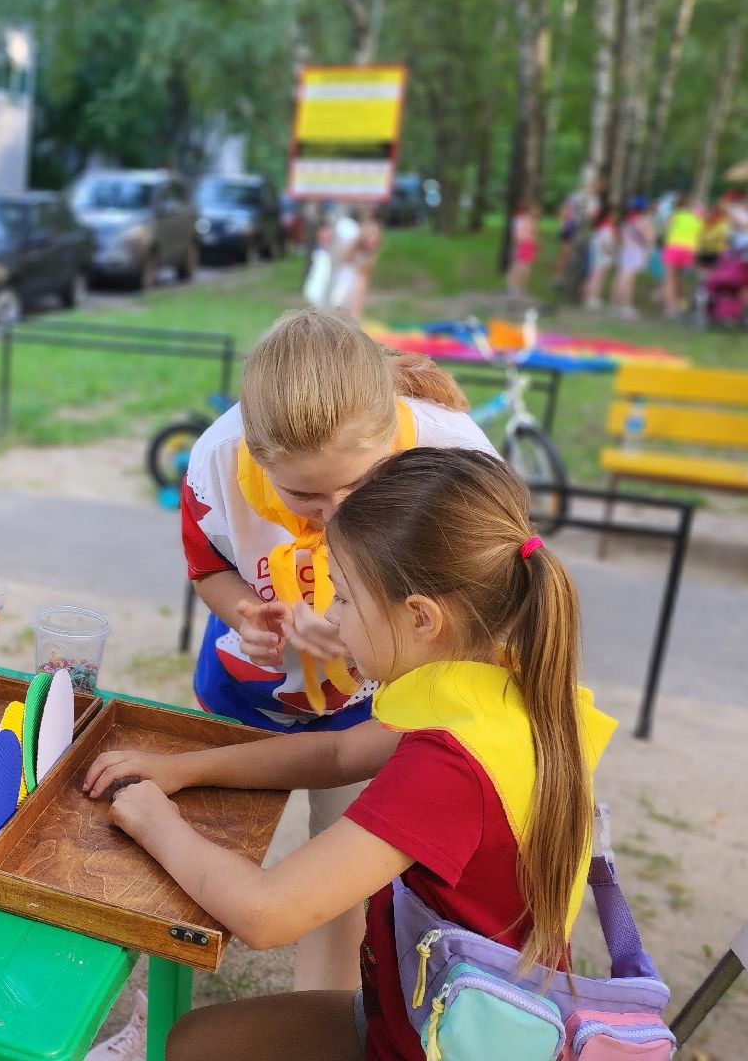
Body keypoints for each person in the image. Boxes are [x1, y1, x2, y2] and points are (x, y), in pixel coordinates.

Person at [90, 447, 617, 1060]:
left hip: (441, 1041)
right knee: (193, 1041)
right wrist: (184, 769)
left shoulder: (449, 768)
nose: (333, 621)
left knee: (192, 1046)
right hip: (430, 1008)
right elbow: (339, 754)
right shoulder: (499, 681)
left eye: (343, 599)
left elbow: (266, 914)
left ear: (420, 618)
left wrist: (155, 821)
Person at [174, 309, 494, 993]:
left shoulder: (453, 455)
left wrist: (369, 635)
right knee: (197, 857)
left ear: (392, 435)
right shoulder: (215, 460)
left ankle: (322, 1016)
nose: (338, 514)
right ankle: (161, 1009)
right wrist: (248, 615)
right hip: (249, 690)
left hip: (373, 705)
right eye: (304, 495)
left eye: (360, 483)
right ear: (255, 453)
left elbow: (479, 609)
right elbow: (209, 569)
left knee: (337, 884)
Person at [610, 197, 654, 318]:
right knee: (628, 279)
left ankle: (615, 304)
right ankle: (625, 306)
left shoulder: (628, 220)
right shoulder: (644, 221)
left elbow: (621, 236)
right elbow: (649, 238)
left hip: (626, 250)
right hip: (637, 251)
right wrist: (649, 247)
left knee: (620, 277)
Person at [660, 194, 703, 316]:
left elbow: (666, 232)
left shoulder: (674, 216)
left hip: (673, 248)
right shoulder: (697, 218)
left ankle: (670, 307)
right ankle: (682, 303)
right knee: (681, 278)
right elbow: (699, 237)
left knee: (670, 278)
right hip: (689, 250)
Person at [581, 207, 617, 310]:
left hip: (597, 255)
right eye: (613, 215)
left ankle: (590, 297)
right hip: (602, 256)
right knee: (597, 278)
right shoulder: (607, 229)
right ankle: (592, 298)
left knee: (594, 277)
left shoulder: (599, 228)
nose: (615, 217)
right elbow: (606, 245)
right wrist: (614, 252)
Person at [506, 199, 538, 298]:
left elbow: (534, 233)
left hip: (530, 245)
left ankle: (522, 287)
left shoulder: (532, 221)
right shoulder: (519, 220)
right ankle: (512, 286)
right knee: (518, 266)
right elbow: (517, 235)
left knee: (527, 268)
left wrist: (534, 240)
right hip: (522, 245)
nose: (537, 212)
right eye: (535, 209)